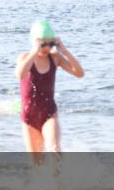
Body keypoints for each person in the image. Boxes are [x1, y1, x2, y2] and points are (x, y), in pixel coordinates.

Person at [14, 21, 84, 159]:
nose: (47, 48)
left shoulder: (55, 58)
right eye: (43, 44)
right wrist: (34, 52)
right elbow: (20, 74)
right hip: (29, 116)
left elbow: (79, 73)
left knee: (55, 149)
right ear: (34, 42)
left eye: (50, 44)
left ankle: (58, 180)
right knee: (36, 162)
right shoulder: (25, 57)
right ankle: (42, 181)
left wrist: (64, 50)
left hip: (49, 113)